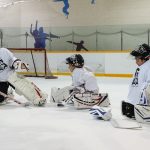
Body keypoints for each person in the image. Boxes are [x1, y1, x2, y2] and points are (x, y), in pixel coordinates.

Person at [122, 43, 150, 119]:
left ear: (145, 58)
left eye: (137, 58)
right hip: (133, 107)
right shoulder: (141, 67)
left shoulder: (148, 67)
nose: (136, 61)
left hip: (140, 109)